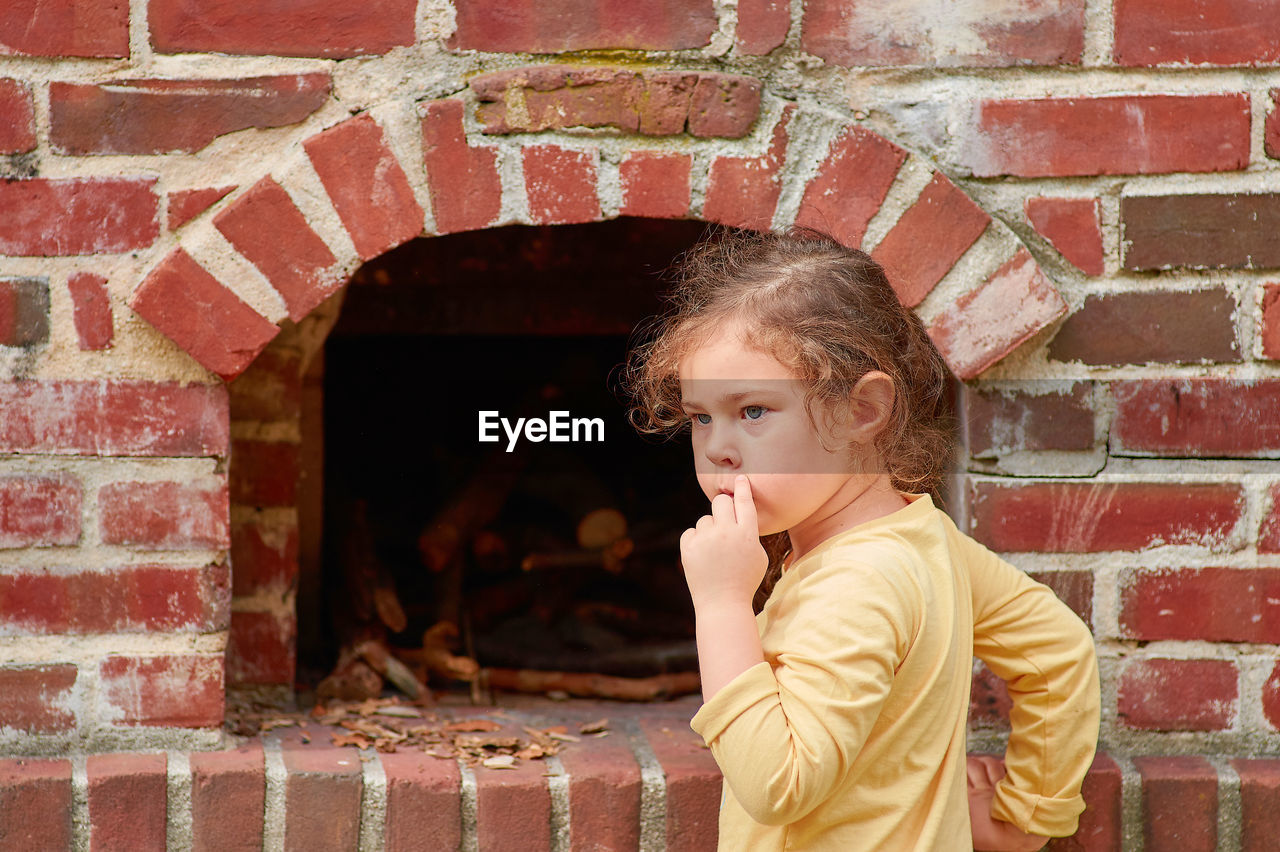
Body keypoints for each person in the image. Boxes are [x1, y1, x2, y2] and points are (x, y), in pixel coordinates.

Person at [622, 227, 1100, 851]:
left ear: (861, 410)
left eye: (754, 411)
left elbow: (776, 784)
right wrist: (1029, 815)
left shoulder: (856, 585)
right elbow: (1058, 650)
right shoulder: (922, 536)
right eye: (701, 416)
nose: (717, 448)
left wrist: (720, 605)